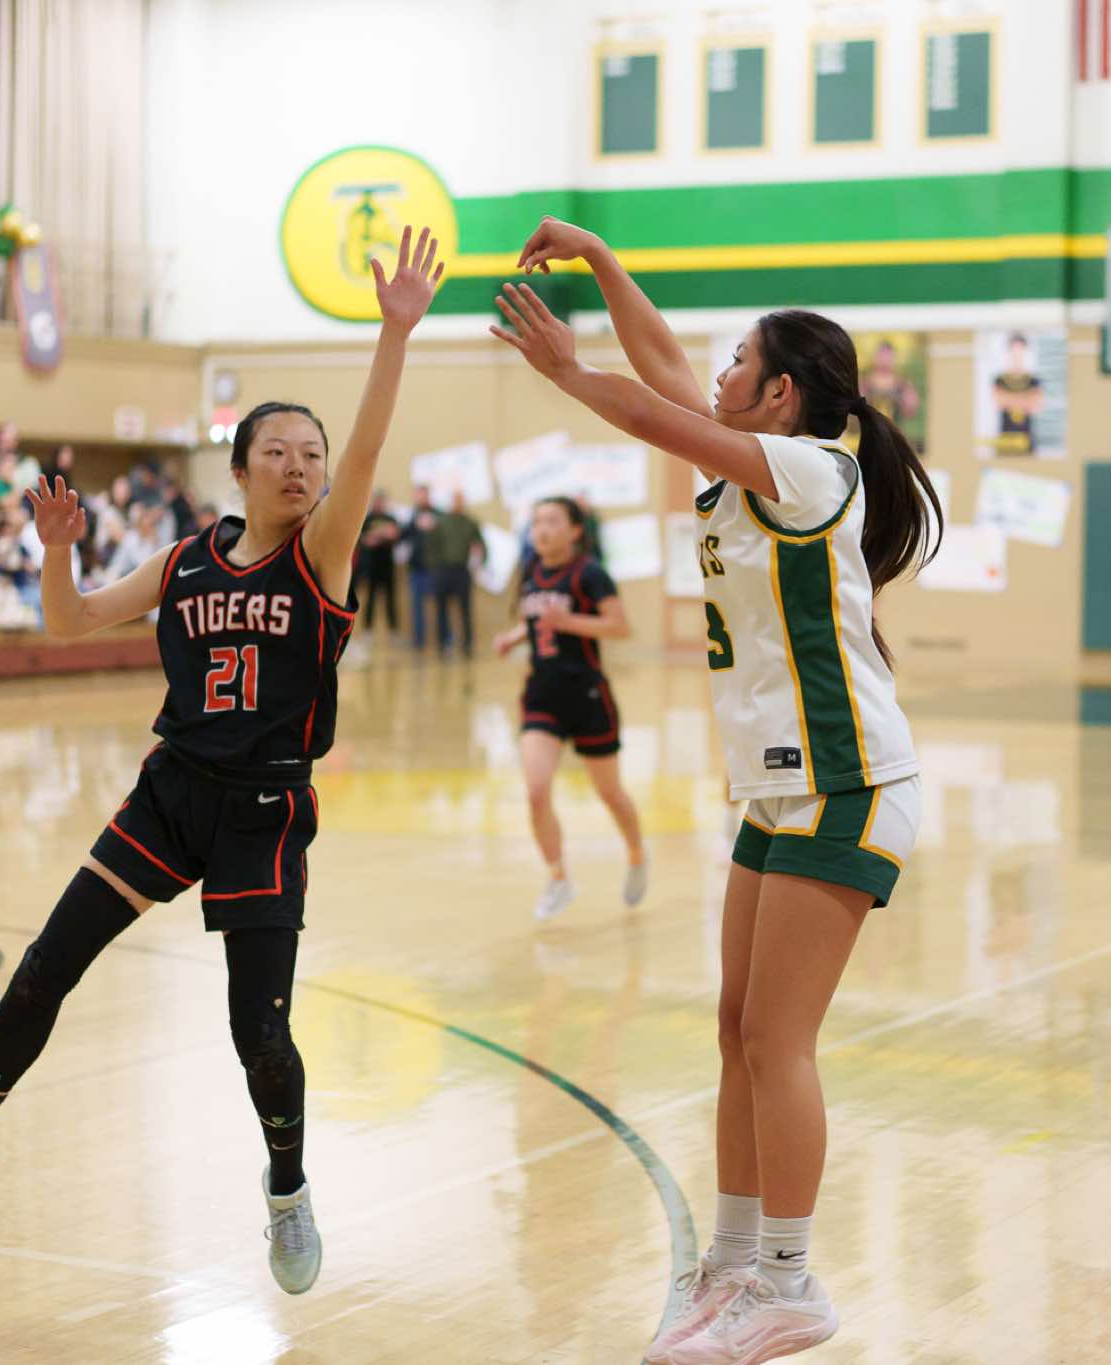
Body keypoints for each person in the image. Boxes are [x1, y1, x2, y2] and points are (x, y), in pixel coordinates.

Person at [0, 225, 445, 1299]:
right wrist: (56, 551)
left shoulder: (322, 552)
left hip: (264, 813)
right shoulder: (186, 559)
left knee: (257, 1030)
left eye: (312, 455)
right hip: (172, 793)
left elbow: (370, 452)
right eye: (278, 452)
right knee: (47, 963)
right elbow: (68, 623)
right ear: (238, 468)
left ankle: (287, 1192)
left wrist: (393, 336)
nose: (300, 467)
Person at [494, 216, 938, 1364]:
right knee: (736, 1029)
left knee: (778, 1041)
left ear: (780, 393)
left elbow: (653, 408)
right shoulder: (746, 464)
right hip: (778, 788)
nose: (717, 371)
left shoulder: (810, 466)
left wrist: (565, 373)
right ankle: (734, 1264)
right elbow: (666, 378)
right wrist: (600, 258)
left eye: (738, 360)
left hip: (846, 782)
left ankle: (788, 1284)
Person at [492, 496, 645, 921]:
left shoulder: (590, 574)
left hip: (588, 696)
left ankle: (636, 852)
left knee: (610, 793)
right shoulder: (532, 571)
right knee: (536, 790)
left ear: (575, 530)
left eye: (551, 521)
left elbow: (620, 627)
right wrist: (514, 637)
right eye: (536, 522)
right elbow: (535, 618)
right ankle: (558, 877)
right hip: (541, 695)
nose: (541, 529)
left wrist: (570, 623)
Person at [428, 491, 484, 654]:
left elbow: (480, 545)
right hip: (442, 571)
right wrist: (435, 568)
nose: (458, 503)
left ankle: (467, 644)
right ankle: (443, 643)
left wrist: (479, 560)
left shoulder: (470, 523)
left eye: (460, 500)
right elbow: (431, 546)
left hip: (462, 571)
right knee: (442, 610)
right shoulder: (441, 522)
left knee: (465, 609)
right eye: (455, 500)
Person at [354, 490, 402, 635]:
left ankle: (393, 630)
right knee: (370, 598)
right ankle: (367, 630)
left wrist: (378, 535)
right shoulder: (367, 518)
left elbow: (395, 535)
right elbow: (361, 538)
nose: (380, 504)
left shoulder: (391, 518)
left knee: (391, 598)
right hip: (371, 565)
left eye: (382, 501)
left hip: (388, 565)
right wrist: (380, 534)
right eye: (377, 501)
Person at [988, 332, 1042, 458]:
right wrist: (1025, 399)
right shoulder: (1000, 379)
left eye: (1020, 350)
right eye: (1014, 350)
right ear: (1008, 352)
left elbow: (1036, 406)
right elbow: (998, 402)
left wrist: (1009, 399)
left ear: (1025, 352)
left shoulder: (1033, 380)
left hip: (1027, 440)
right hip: (1005, 439)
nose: (1017, 354)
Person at [400, 485, 439, 650]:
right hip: (416, 569)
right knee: (416, 608)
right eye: (418, 495)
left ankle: (444, 640)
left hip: (435, 569)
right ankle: (418, 641)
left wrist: (433, 525)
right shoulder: (413, 515)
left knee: (440, 606)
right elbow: (404, 535)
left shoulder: (438, 514)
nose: (421, 498)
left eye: (423, 494)